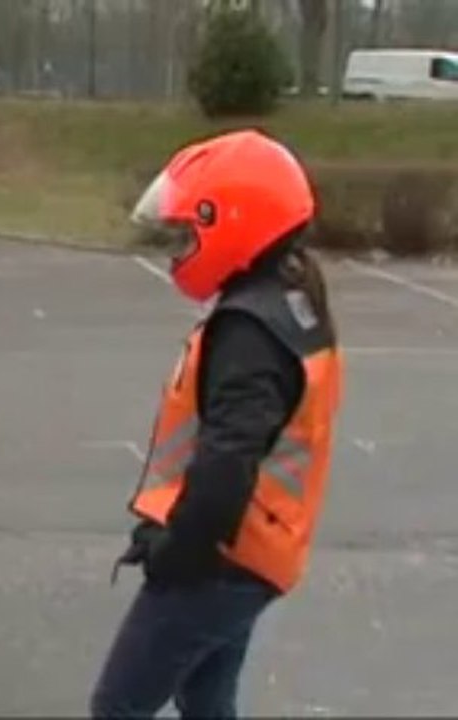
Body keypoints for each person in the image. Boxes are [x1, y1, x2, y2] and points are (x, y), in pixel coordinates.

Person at [90, 129, 344, 718]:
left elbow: (227, 462)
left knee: (118, 706)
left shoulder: (250, 333)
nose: (180, 248)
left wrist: (176, 550)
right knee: (205, 700)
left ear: (232, 223)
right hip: (258, 551)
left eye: (189, 232)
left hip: (223, 558)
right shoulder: (289, 301)